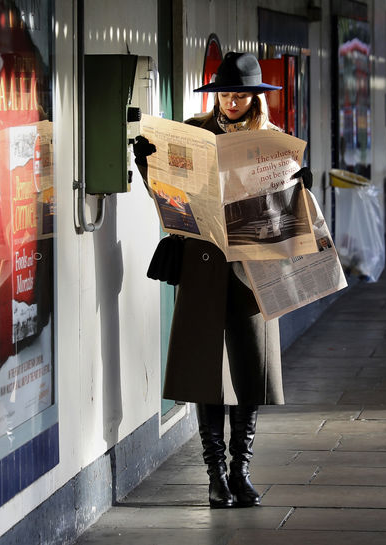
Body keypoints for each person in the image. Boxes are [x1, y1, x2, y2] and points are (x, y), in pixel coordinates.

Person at [133, 52, 311, 509]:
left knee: (250, 368)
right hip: (203, 261)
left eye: (241, 94)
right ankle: (215, 476)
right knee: (204, 371)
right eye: (225, 93)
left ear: (256, 97)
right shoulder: (193, 133)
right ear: (215, 95)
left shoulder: (271, 142)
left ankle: (241, 471)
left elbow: (285, 211)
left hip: (253, 266)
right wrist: (145, 166)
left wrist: (299, 185)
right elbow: (168, 195)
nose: (232, 101)